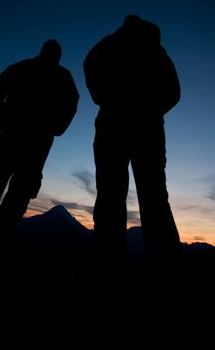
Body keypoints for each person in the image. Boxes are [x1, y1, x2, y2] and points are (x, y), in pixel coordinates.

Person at [0, 39, 79, 259]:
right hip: (26, 144)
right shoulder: (55, 75)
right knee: (0, 191)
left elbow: (71, 105)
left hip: (24, 144)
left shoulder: (27, 69)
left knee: (6, 192)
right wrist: (3, 119)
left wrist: (4, 119)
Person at [83, 15, 181, 261]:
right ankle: (166, 263)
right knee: (155, 197)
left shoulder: (110, 43)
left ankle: (108, 263)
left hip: (112, 125)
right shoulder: (156, 49)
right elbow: (174, 91)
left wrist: (102, 98)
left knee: (109, 196)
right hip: (147, 130)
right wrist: (153, 111)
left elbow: (89, 63)